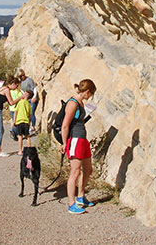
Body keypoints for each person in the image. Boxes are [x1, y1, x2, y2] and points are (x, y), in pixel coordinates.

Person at [61, 79, 97, 214]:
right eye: (91, 94)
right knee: (75, 172)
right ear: (87, 91)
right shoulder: (72, 103)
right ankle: (71, 204)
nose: (90, 97)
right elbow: (65, 125)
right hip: (75, 139)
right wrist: (65, 143)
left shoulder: (80, 103)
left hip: (82, 139)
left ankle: (81, 197)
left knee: (88, 169)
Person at [0, 76, 24, 157]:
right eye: (16, 86)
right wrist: (20, 98)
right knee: (0, 131)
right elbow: (11, 102)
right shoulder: (6, 90)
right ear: (13, 84)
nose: (16, 88)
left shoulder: (2, 88)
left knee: (1, 130)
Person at [13, 90, 33, 155]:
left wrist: (14, 121)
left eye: (25, 93)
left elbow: (16, 112)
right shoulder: (29, 104)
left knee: (20, 136)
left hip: (19, 121)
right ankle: (29, 150)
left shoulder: (20, 102)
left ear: (27, 95)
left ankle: (20, 151)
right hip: (26, 122)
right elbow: (30, 115)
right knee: (27, 136)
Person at [18, 69, 38, 135]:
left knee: (32, 112)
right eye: (20, 76)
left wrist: (34, 97)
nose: (21, 77)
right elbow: (22, 90)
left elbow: (34, 88)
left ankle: (33, 127)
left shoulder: (29, 80)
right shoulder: (21, 82)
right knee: (27, 113)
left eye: (22, 76)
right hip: (27, 99)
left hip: (32, 98)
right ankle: (28, 127)